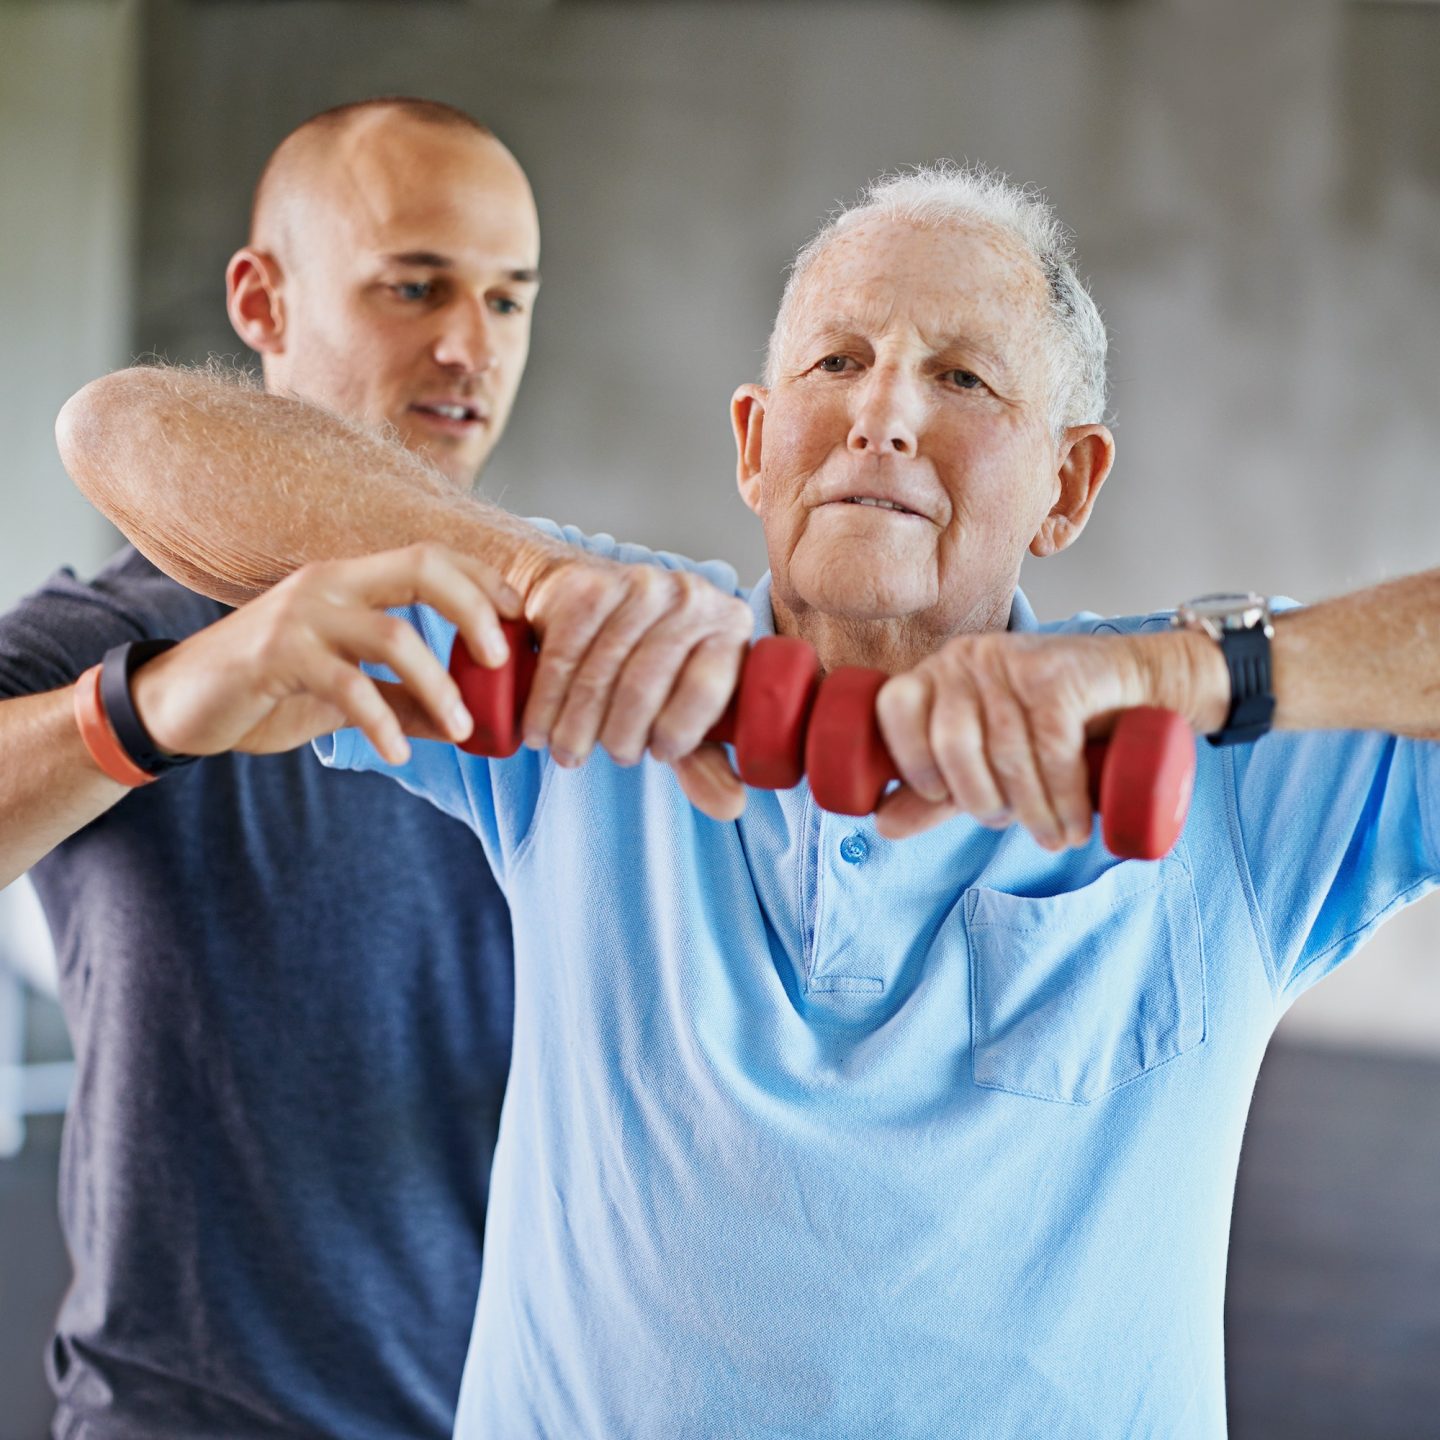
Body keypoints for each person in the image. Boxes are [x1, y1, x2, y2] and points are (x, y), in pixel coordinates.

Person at [59, 162, 1440, 1438]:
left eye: (963, 379)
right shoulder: (590, 664)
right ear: (756, 442)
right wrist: (529, 575)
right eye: (837, 362)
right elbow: (123, 429)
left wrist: (1200, 669)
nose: (883, 414)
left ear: (1067, 483)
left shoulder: (1234, 756)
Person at [0, 97, 538, 1438]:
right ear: (263, 301)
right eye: (415, 286)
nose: (469, 345)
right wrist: (172, 701)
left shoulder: (553, 657)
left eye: (509, 299)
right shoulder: (120, 630)